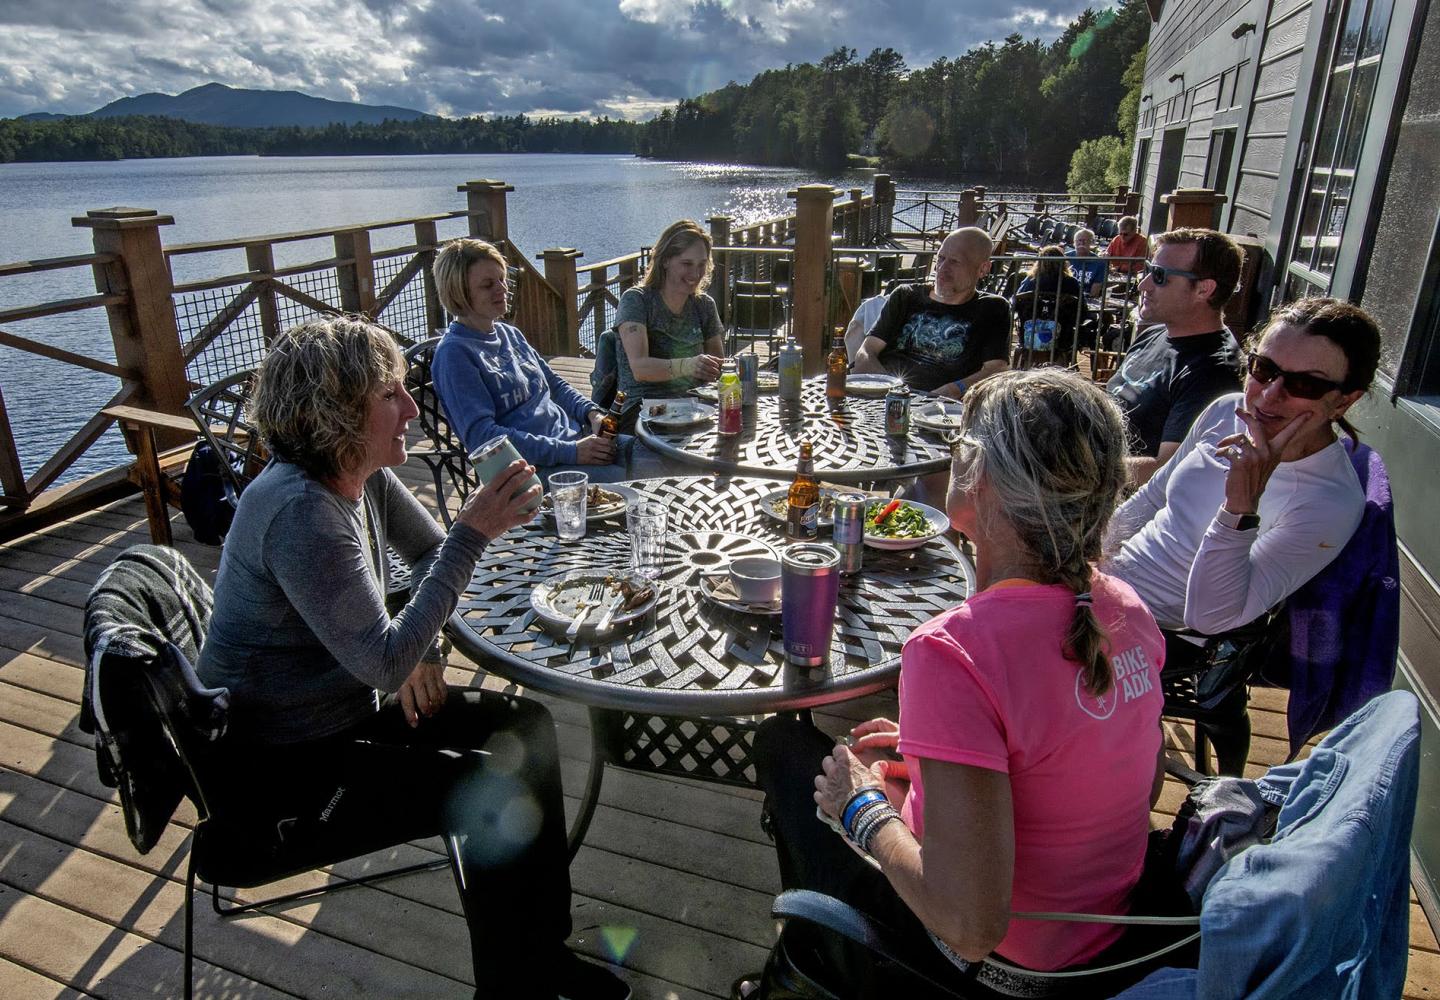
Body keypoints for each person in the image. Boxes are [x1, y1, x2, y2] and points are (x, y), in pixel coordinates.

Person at [196, 316, 631, 1000]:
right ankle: (512, 989)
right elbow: (384, 663)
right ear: (337, 414)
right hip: (283, 775)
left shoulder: (357, 472)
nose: (410, 407)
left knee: (527, 731)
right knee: (485, 791)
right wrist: (473, 533)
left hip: (342, 715)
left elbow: (427, 557)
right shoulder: (298, 511)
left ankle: (543, 953)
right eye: (390, 394)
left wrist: (426, 641)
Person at [749, 369, 1165, 995]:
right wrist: (943, 761)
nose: (952, 457)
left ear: (988, 481)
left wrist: (858, 806)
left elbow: (970, 926)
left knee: (786, 749)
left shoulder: (953, 652)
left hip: (992, 971)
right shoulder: (1125, 610)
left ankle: (816, 962)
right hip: (1105, 941)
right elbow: (1127, 772)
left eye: (961, 446)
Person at [1104, 296, 1380, 638]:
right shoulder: (1226, 411)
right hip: (1102, 588)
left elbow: (1211, 617)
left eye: (1305, 384)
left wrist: (1239, 509)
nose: (1269, 395)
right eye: (1264, 369)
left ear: (1344, 400)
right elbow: (1154, 496)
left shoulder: (1330, 501)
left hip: (1154, 631)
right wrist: (1090, 558)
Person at [430, 238, 640, 486]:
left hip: (575, 441)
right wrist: (571, 452)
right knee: (639, 482)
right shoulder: (454, 354)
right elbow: (484, 438)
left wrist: (592, 414)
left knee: (652, 455)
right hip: (532, 473)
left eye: (502, 278)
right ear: (458, 294)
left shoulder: (510, 334)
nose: (502, 289)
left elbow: (555, 386)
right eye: (487, 285)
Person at [1106, 227, 1245, 485]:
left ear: (1204, 289)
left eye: (1159, 276)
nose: (1143, 284)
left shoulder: (1213, 372)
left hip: (1119, 504)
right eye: (1147, 270)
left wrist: (1077, 472)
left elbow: (1166, 468)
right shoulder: (1156, 333)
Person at [852, 227, 1011, 400]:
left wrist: (955, 389)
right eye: (940, 258)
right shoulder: (906, 296)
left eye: (954, 261)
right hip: (884, 396)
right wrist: (892, 391)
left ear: (983, 269)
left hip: (942, 409)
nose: (942, 268)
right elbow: (866, 352)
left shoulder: (992, 308)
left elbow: (997, 370)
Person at [615, 219, 725, 401]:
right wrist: (688, 365)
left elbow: (718, 367)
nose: (696, 274)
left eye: (701, 264)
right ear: (665, 261)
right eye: (687, 264)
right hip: (642, 408)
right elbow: (640, 368)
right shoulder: (636, 300)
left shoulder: (704, 305)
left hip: (695, 406)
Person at [1068, 227, 1108, 297]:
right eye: (1079, 240)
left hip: (1086, 298)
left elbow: (1094, 293)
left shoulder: (1100, 263)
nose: (1081, 243)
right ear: (1074, 242)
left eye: (1085, 241)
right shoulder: (1064, 258)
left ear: (1092, 243)